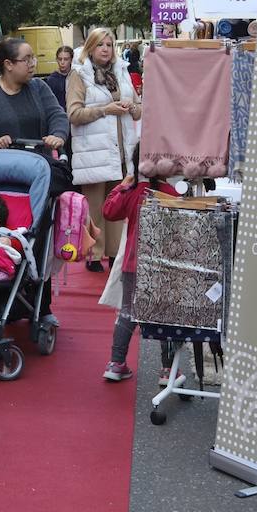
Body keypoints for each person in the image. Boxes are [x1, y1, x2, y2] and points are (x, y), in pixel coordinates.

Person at [0, 36, 69, 328]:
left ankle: (40, 307)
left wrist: (58, 134)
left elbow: (59, 115)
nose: (33, 64)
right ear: (8, 65)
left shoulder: (39, 88)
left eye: (33, 58)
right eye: (27, 59)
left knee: (38, 237)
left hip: (36, 176)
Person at [67, 27, 140, 273]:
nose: (106, 49)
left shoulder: (122, 70)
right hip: (93, 151)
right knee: (95, 206)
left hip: (121, 149)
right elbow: (74, 114)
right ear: (90, 47)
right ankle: (93, 254)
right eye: (100, 45)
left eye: (109, 44)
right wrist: (105, 109)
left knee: (118, 205)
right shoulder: (79, 74)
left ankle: (114, 253)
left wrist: (131, 105)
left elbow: (139, 110)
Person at [100, 144, 167, 382]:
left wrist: (122, 186)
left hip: (133, 263)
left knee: (127, 312)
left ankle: (116, 362)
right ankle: (168, 370)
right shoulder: (171, 193)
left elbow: (108, 212)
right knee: (163, 314)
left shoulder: (133, 192)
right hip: (163, 266)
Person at [44, 45, 74, 111]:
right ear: (57, 59)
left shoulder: (76, 77)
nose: (62, 62)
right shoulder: (51, 80)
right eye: (60, 59)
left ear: (71, 60)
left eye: (66, 59)